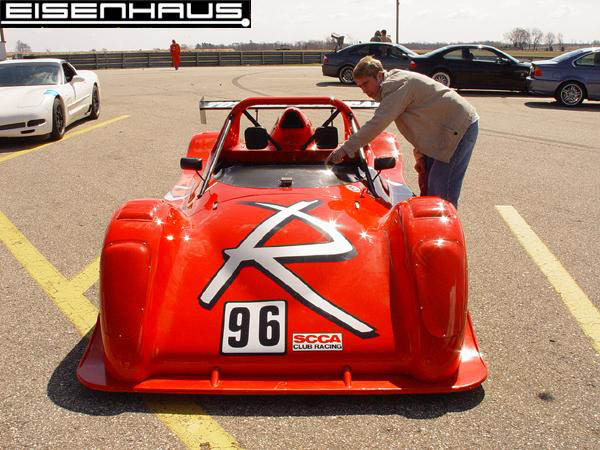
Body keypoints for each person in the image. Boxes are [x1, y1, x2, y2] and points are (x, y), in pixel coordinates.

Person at [325, 56, 479, 208]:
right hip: (443, 130)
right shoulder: (393, 85)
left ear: (379, 75)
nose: (364, 90)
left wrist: (345, 149)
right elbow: (421, 122)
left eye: (366, 83)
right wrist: (421, 156)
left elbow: (377, 123)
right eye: (360, 86)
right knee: (429, 187)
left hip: (459, 127)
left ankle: (443, 222)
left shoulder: (396, 86)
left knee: (440, 192)